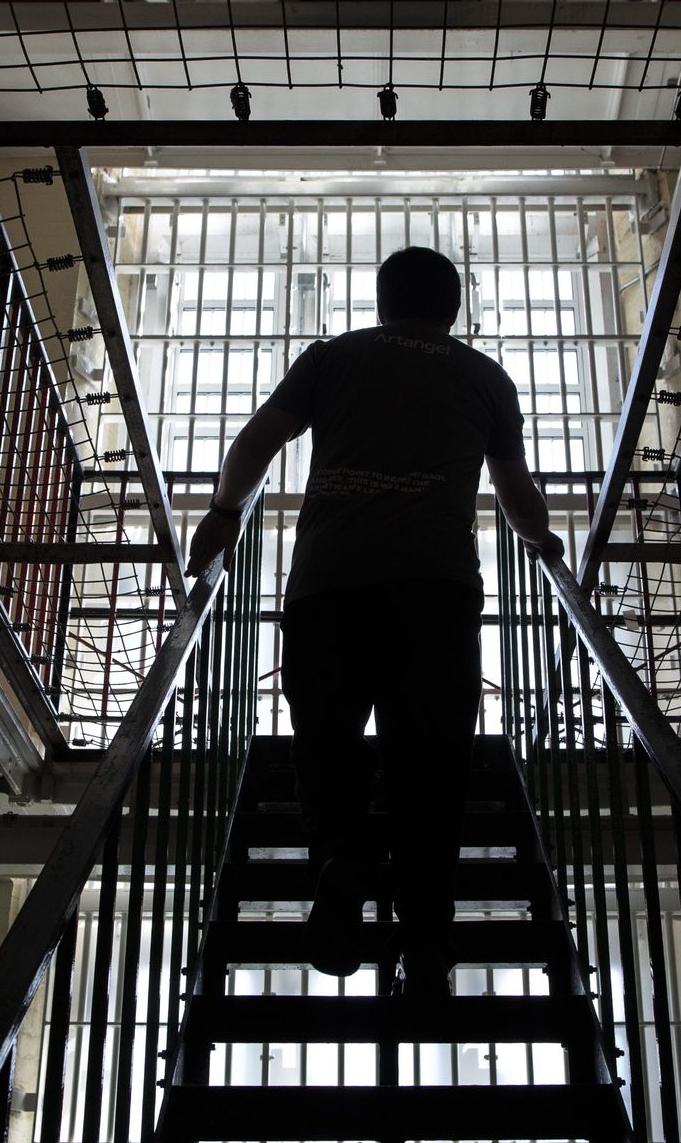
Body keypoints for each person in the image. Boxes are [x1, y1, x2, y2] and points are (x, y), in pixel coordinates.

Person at [185, 246, 562, 998]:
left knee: (325, 742)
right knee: (432, 765)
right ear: (452, 309)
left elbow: (257, 441)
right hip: (436, 590)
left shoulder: (333, 358)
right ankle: (425, 940)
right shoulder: (486, 378)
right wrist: (540, 540)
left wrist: (224, 516)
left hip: (330, 586)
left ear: (383, 301)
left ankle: (339, 857)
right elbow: (517, 491)